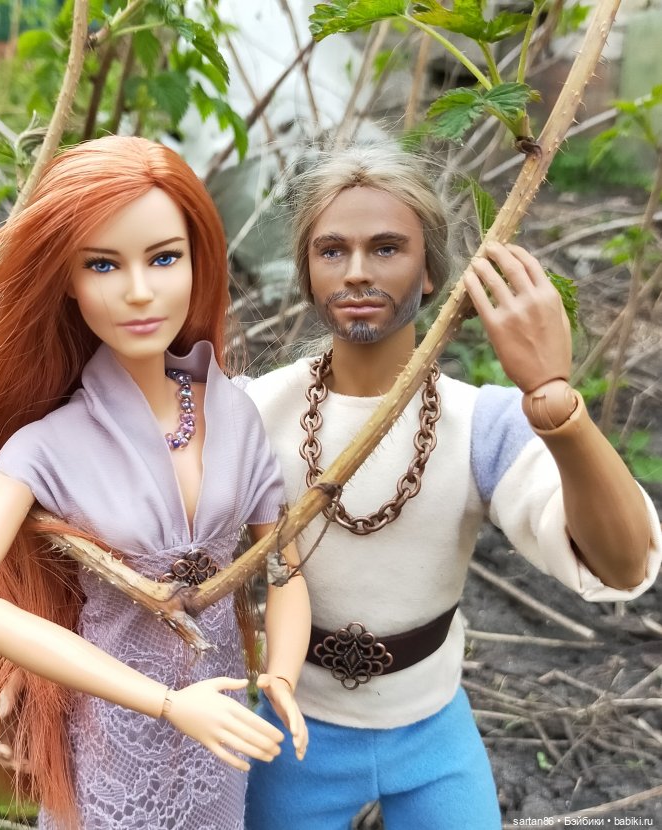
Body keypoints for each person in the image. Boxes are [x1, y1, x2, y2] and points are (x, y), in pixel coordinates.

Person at [0, 135, 309, 830]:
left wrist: (281, 676)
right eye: (103, 264)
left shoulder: (234, 413)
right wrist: (163, 704)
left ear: (199, 262)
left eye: (164, 258)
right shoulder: (49, 447)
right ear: (68, 282)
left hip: (221, 725)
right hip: (111, 739)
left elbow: (284, 568)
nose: (139, 291)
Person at [242, 140, 662, 830]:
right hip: (296, 723)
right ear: (307, 273)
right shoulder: (257, 414)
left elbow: (624, 563)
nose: (356, 271)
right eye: (331, 251)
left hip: (431, 727)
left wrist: (557, 404)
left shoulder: (479, 426)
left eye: (386, 248)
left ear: (432, 271)